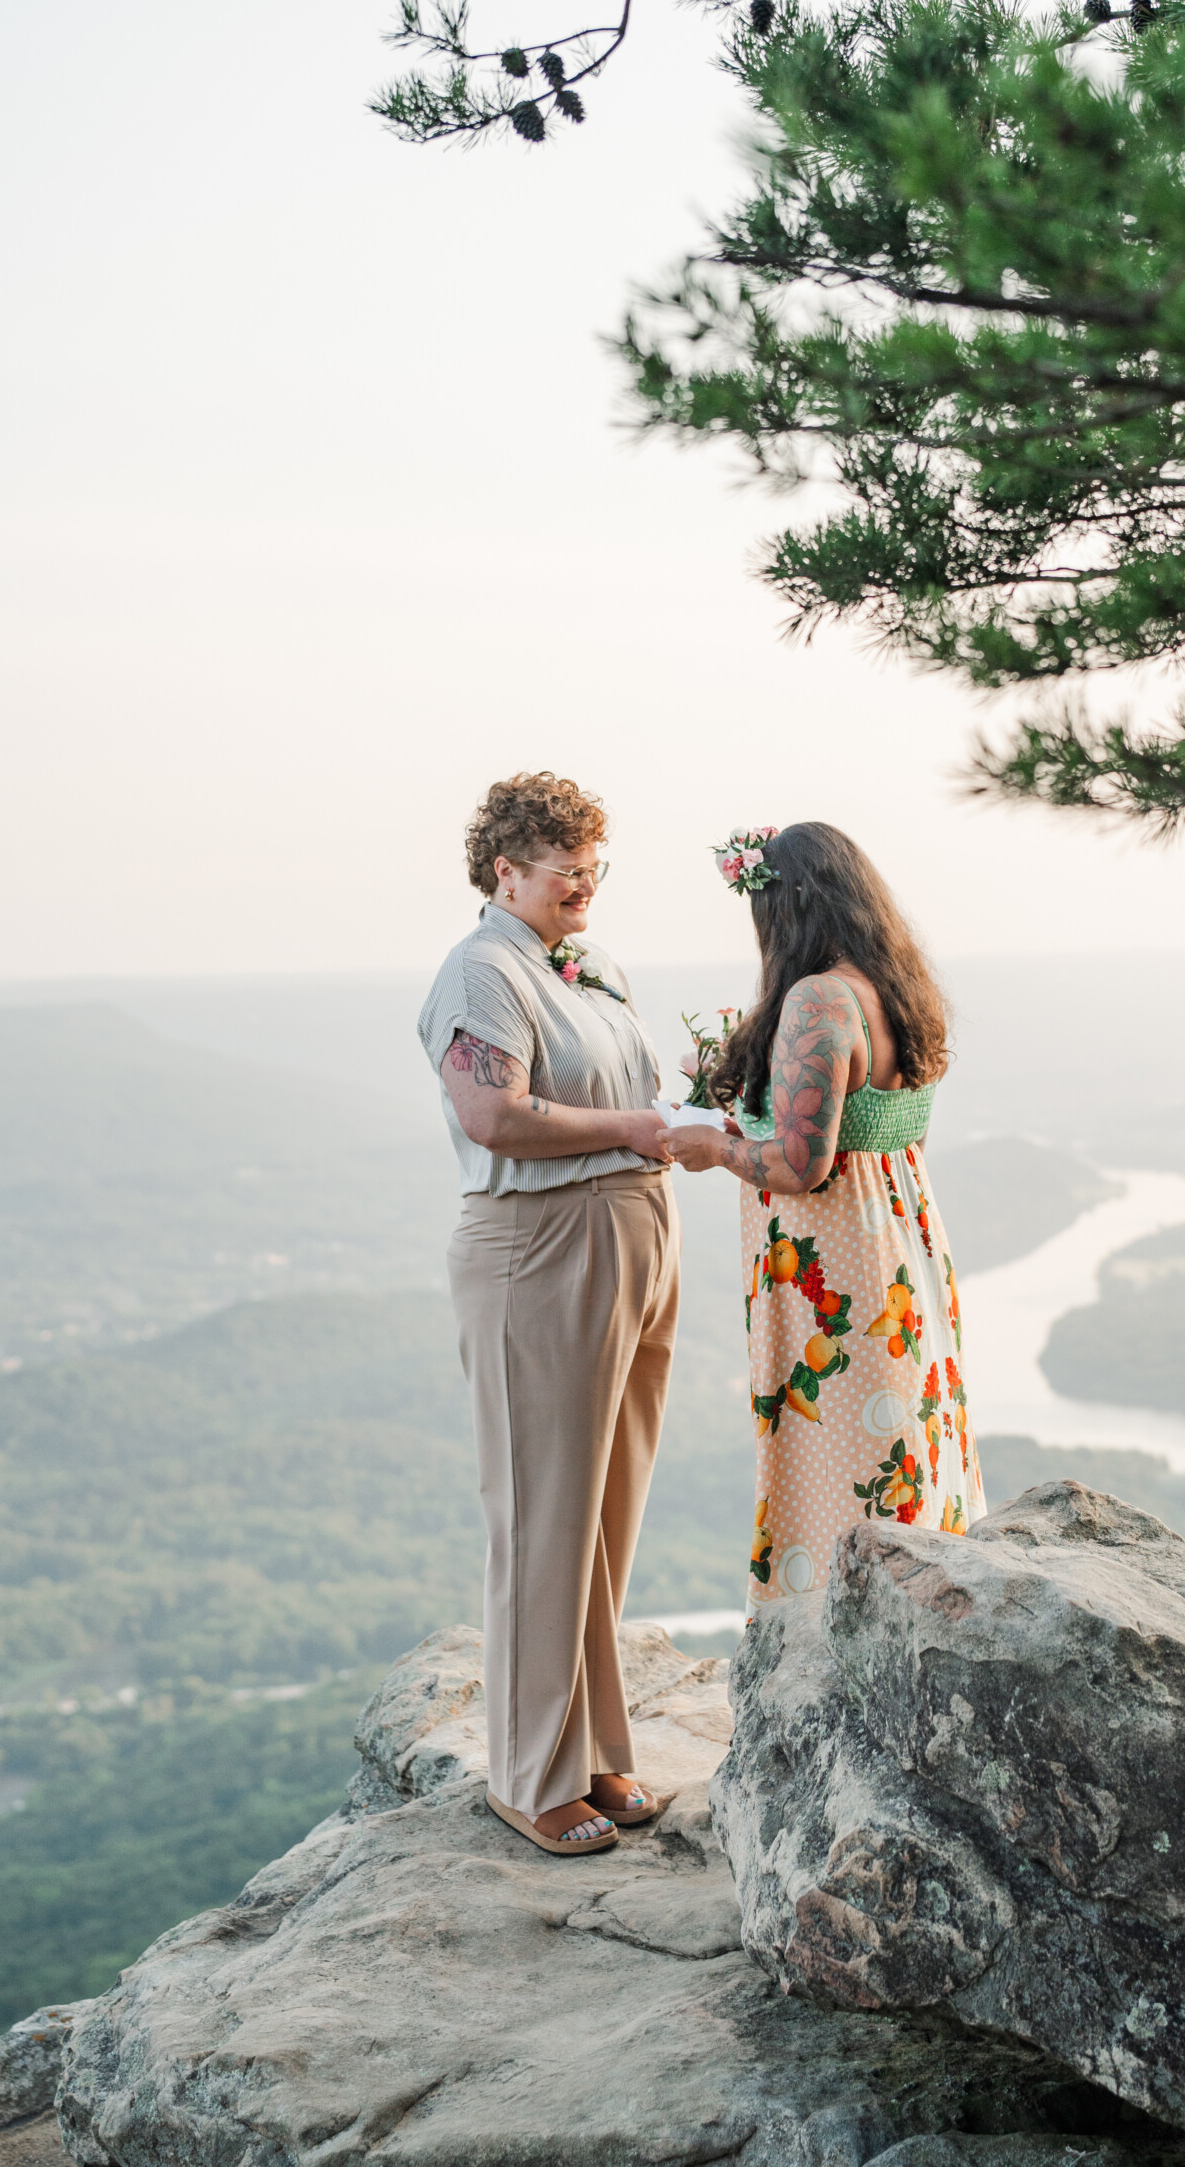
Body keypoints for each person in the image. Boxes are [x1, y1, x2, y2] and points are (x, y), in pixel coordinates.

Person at [417, 771, 677, 1855]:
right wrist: (640, 1126)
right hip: (541, 1245)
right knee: (541, 1515)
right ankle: (528, 1777)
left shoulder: (593, 965)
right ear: (503, 871)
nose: (583, 880)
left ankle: (595, 1751)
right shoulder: (479, 971)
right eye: (561, 863)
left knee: (607, 1514)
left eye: (591, 860)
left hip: (633, 1230)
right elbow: (498, 1115)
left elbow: (632, 1094)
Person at [663, 821, 984, 1610]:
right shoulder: (898, 988)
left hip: (833, 1267)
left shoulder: (819, 999)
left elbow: (803, 1167)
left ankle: (825, 1630)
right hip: (898, 1243)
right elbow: (852, 1130)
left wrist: (711, 1146)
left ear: (787, 910)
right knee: (902, 1434)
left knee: (839, 1446)